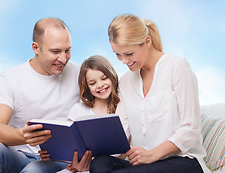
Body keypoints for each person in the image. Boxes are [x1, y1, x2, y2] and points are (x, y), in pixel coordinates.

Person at [90, 14, 211, 173]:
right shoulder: (126, 81)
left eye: (129, 54)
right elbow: (121, 131)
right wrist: (88, 156)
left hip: (184, 162)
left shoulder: (177, 67)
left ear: (147, 41)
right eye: (118, 54)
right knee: (100, 163)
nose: (123, 61)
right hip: (145, 166)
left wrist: (153, 154)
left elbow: (191, 129)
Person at [0, 18, 81, 173]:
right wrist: (22, 135)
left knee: (33, 171)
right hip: (19, 156)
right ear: (36, 48)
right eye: (55, 51)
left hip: (59, 161)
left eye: (67, 50)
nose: (63, 59)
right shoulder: (9, 78)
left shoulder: (80, 74)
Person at [39, 55, 121, 173]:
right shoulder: (78, 110)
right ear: (87, 87)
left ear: (112, 76)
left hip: (107, 167)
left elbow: (123, 152)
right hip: (78, 168)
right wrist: (51, 154)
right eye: (92, 83)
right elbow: (69, 146)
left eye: (104, 78)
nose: (100, 85)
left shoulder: (121, 109)